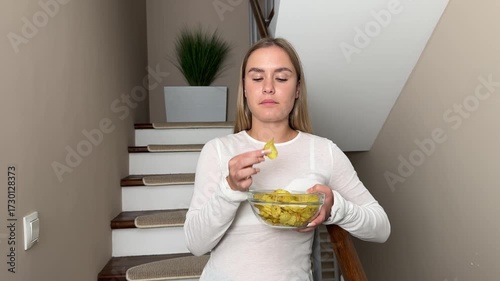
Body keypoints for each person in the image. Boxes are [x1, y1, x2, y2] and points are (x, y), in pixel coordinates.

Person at [184, 37, 390, 281]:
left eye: (281, 78)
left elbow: (380, 229)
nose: (268, 87)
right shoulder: (217, 150)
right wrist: (229, 189)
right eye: (257, 78)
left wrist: (335, 207)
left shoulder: (324, 152)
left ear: (298, 90)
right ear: (245, 89)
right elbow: (196, 244)